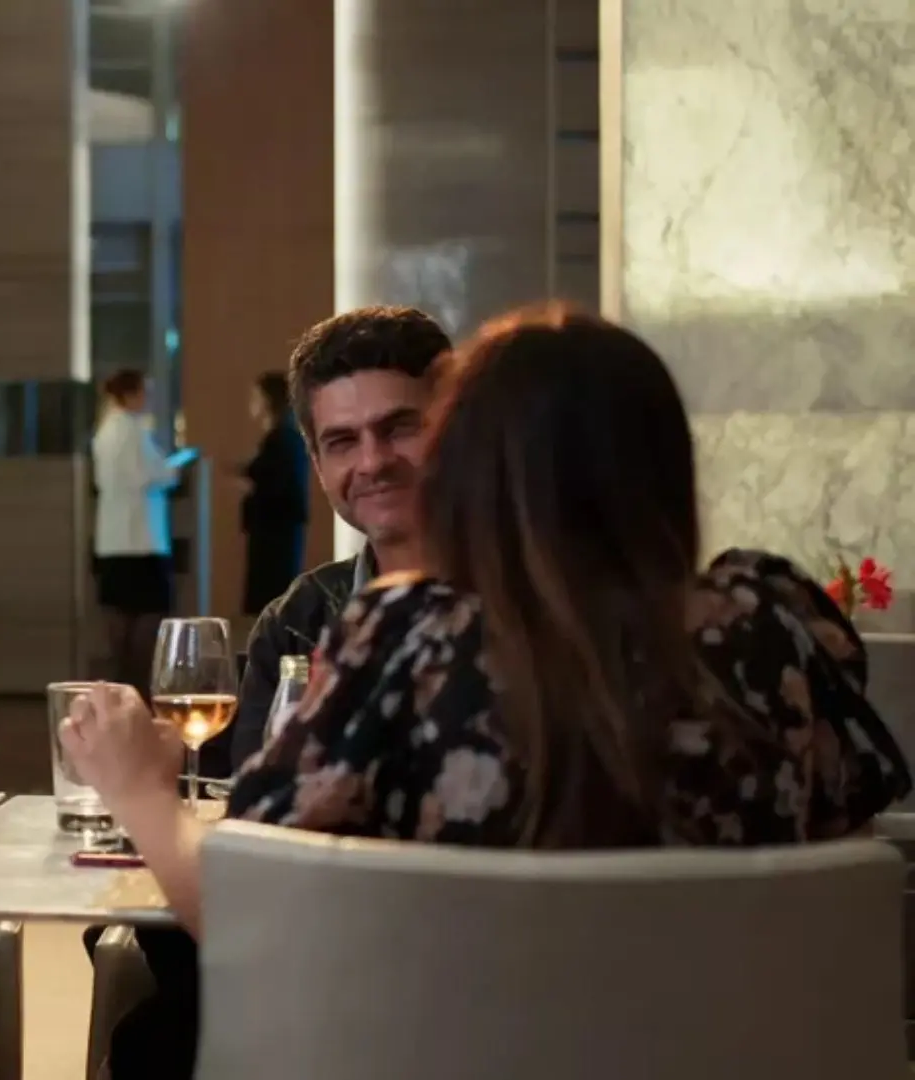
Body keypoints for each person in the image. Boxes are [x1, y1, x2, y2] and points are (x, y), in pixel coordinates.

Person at [64, 303, 913, 1080]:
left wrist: (141, 788)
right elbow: (850, 870)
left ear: (474, 465)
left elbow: (253, 916)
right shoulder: (774, 625)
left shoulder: (409, 639)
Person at [231, 306, 452, 769]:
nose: (373, 462)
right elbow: (251, 803)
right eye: (343, 442)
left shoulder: (534, 609)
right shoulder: (295, 624)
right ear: (317, 463)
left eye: (399, 428)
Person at [90, 368, 196, 691]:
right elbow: (154, 474)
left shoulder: (105, 432)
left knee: (119, 620)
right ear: (130, 395)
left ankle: (121, 685)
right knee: (147, 619)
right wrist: (177, 465)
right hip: (141, 541)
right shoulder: (131, 431)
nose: (148, 399)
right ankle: (138, 688)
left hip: (114, 541)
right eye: (144, 392)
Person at [237, 371, 310, 615]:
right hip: (273, 533)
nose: (251, 403)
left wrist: (252, 487)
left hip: (275, 535)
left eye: (256, 397)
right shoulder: (280, 438)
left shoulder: (283, 439)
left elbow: (277, 486)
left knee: (271, 598)